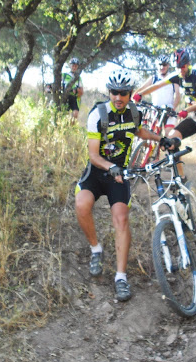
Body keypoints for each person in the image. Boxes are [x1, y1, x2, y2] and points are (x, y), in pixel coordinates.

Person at [75, 68, 180, 302]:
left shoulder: (133, 112)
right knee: (81, 205)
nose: (118, 97)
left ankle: (121, 277)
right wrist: (110, 167)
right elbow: (93, 155)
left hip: (119, 175)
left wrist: (159, 138)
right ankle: (96, 250)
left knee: (121, 218)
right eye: (114, 92)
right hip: (98, 171)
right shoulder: (98, 114)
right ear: (109, 92)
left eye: (123, 93)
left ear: (130, 93)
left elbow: (138, 130)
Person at [135, 48, 196, 196]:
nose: (181, 70)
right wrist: (139, 94)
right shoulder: (177, 76)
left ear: (189, 63)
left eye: (183, 66)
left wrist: (186, 110)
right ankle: (181, 178)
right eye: (178, 67)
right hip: (193, 116)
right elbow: (157, 85)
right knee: (170, 140)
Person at [133, 54, 181, 135]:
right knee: (150, 134)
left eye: (164, 65)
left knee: (168, 135)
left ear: (168, 65)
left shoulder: (173, 78)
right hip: (155, 110)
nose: (162, 67)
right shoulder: (153, 78)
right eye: (160, 65)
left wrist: (173, 108)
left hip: (168, 110)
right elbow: (141, 89)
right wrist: (134, 99)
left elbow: (178, 95)